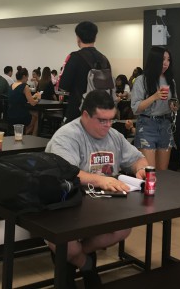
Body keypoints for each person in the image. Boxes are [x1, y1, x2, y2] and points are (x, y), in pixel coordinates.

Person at [46, 90, 147, 288]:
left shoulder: (114, 136)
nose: (108, 125)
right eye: (102, 120)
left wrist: (141, 169)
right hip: (65, 203)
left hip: (101, 205)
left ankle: (79, 260)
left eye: (111, 119)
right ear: (85, 115)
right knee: (65, 244)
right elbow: (67, 173)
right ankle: (86, 266)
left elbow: (137, 158)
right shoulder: (67, 136)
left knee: (123, 229)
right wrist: (101, 180)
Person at [130, 46, 178, 171]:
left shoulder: (170, 81)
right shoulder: (141, 80)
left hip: (166, 124)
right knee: (150, 171)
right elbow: (136, 108)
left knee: (163, 172)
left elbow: (175, 101)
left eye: (168, 60)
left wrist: (174, 106)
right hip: (147, 124)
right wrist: (154, 97)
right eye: (163, 59)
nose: (166, 63)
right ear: (154, 60)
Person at [58, 21, 112, 123]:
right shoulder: (104, 59)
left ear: (78, 38)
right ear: (95, 37)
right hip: (100, 112)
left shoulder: (74, 57)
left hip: (78, 111)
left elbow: (63, 86)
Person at [8, 68, 41, 135]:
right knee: (38, 115)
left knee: (33, 115)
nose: (28, 79)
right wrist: (38, 98)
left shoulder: (11, 85)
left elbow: (18, 98)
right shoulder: (25, 86)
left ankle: (26, 132)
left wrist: (32, 97)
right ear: (24, 76)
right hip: (21, 115)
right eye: (27, 77)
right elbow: (33, 103)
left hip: (10, 114)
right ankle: (32, 135)